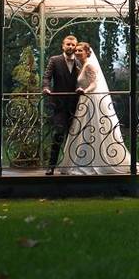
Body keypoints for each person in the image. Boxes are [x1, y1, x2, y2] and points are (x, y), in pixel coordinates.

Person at [56, 41, 131, 174]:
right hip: (84, 99)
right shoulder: (82, 65)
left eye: (80, 50)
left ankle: (94, 161)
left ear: (87, 52)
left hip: (91, 99)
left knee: (93, 128)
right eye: (76, 50)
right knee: (84, 130)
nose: (77, 52)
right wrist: (80, 88)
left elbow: (94, 83)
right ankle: (85, 158)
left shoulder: (89, 65)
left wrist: (85, 91)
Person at [42, 34, 81, 175]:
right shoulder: (55, 60)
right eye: (68, 44)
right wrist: (46, 88)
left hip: (76, 104)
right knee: (58, 134)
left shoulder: (80, 61)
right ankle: (51, 166)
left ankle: (71, 166)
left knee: (74, 136)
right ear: (63, 46)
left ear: (75, 46)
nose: (70, 47)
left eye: (73, 45)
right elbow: (47, 77)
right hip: (59, 104)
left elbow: (82, 79)